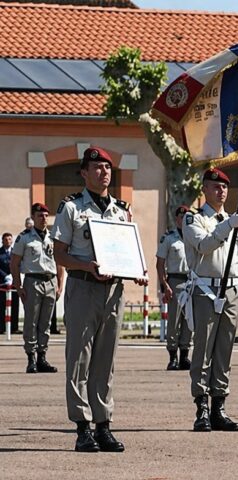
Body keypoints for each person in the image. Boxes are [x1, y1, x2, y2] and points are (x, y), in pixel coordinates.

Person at [53, 146, 147, 452]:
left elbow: (127, 250)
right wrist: (86, 266)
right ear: (84, 173)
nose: (103, 172)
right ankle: (82, 427)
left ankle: (103, 424)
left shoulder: (120, 210)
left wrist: (137, 270)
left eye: (107, 167)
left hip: (114, 291)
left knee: (106, 361)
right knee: (79, 359)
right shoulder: (71, 208)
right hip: (83, 288)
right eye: (96, 167)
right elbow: (59, 254)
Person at [182, 168, 238, 433]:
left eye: (224, 187)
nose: (221, 191)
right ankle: (202, 407)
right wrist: (227, 226)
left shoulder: (231, 221)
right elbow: (204, 245)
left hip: (231, 290)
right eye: (215, 186)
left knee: (224, 351)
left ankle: (219, 405)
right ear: (205, 189)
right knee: (203, 349)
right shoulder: (194, 219)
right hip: (206, 290)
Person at [11, 202, 62, 373]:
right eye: (40, 216)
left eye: (46, 216)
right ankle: (31, 358)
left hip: (50, 281)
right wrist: (18, 286)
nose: (44, 219)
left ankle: (42, 357)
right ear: (33, 217)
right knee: (31, 321)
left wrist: (60, 285)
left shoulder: (53, 237)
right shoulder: (25, 237)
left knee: (45, 322)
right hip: (32, 281)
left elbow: (60, 263)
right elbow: (14, 263)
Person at [156, 205, 193, 371]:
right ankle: (173, 357)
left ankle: (185, 355)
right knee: (174, 319)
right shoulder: (169, 238)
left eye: (187, 217)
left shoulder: (193, 237)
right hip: (175, 281)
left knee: (189, 319)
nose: (184, 220)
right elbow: (160, 263)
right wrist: (164, 285)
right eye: (181, 217)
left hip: (191, 282)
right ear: (177, 219)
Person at [1, 231, 19, 335]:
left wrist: (13, 275)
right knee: (2, 305)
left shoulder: (15, 252)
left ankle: (14, 327)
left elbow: (18, 264)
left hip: (14, 282)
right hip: (2, 283)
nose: (8, 241)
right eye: (6, 239)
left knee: (15, 305)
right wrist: (5, 276)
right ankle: (1, 327)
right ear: (2, 241)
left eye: (9, 239)